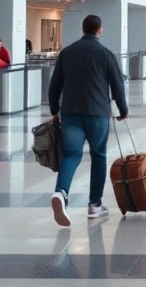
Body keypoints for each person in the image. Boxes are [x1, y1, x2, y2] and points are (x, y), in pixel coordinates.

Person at [48, 15, 129, 227]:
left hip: (71, 113)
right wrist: (123, 110)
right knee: (98, 155)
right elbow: (118, 86)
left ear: (83, 29)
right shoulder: (106, 54)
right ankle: (94, 205)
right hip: (98, 113)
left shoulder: (67, 53)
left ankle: (61, 193)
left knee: (72, 155)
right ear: (99, 30)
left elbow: (54, 85)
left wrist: (55, 109)